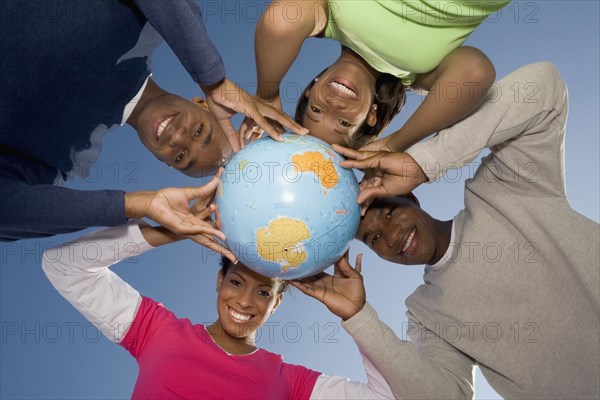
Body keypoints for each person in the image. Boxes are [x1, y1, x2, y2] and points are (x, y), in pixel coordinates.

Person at [298, 62, 600, 398]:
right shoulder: (427, 315)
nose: (391, 236)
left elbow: (544, 88)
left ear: (409, 195)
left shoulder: (503, 191)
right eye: (374, 239)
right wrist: (359, 317)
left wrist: (424, 162)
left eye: (387, 214)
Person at [41, 176, 394, 399]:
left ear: (277, 304)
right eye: (237, 282)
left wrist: (358, 316)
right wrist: (172, 230)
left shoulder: (291, 383)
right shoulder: (155, 331)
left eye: (263, 292)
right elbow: (65, 265)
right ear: (218, 282)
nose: (244, 300)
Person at [0, 0, 305, 243]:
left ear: (163, 162)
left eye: (182, 157)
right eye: (201, 131)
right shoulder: (147, 23)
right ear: (200, 103)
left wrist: (136, 204)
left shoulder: (65, 159)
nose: (179, 139)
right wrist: (213, 80)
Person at [245, 0, 510, 150]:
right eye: (344, 124)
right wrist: (394, 144)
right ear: (371, 117)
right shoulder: (415, 74)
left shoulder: (328, 17)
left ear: (311, 89)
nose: (332, 106)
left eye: (315, 109)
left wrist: (266, 96)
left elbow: (281, 21)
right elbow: (476, 73)